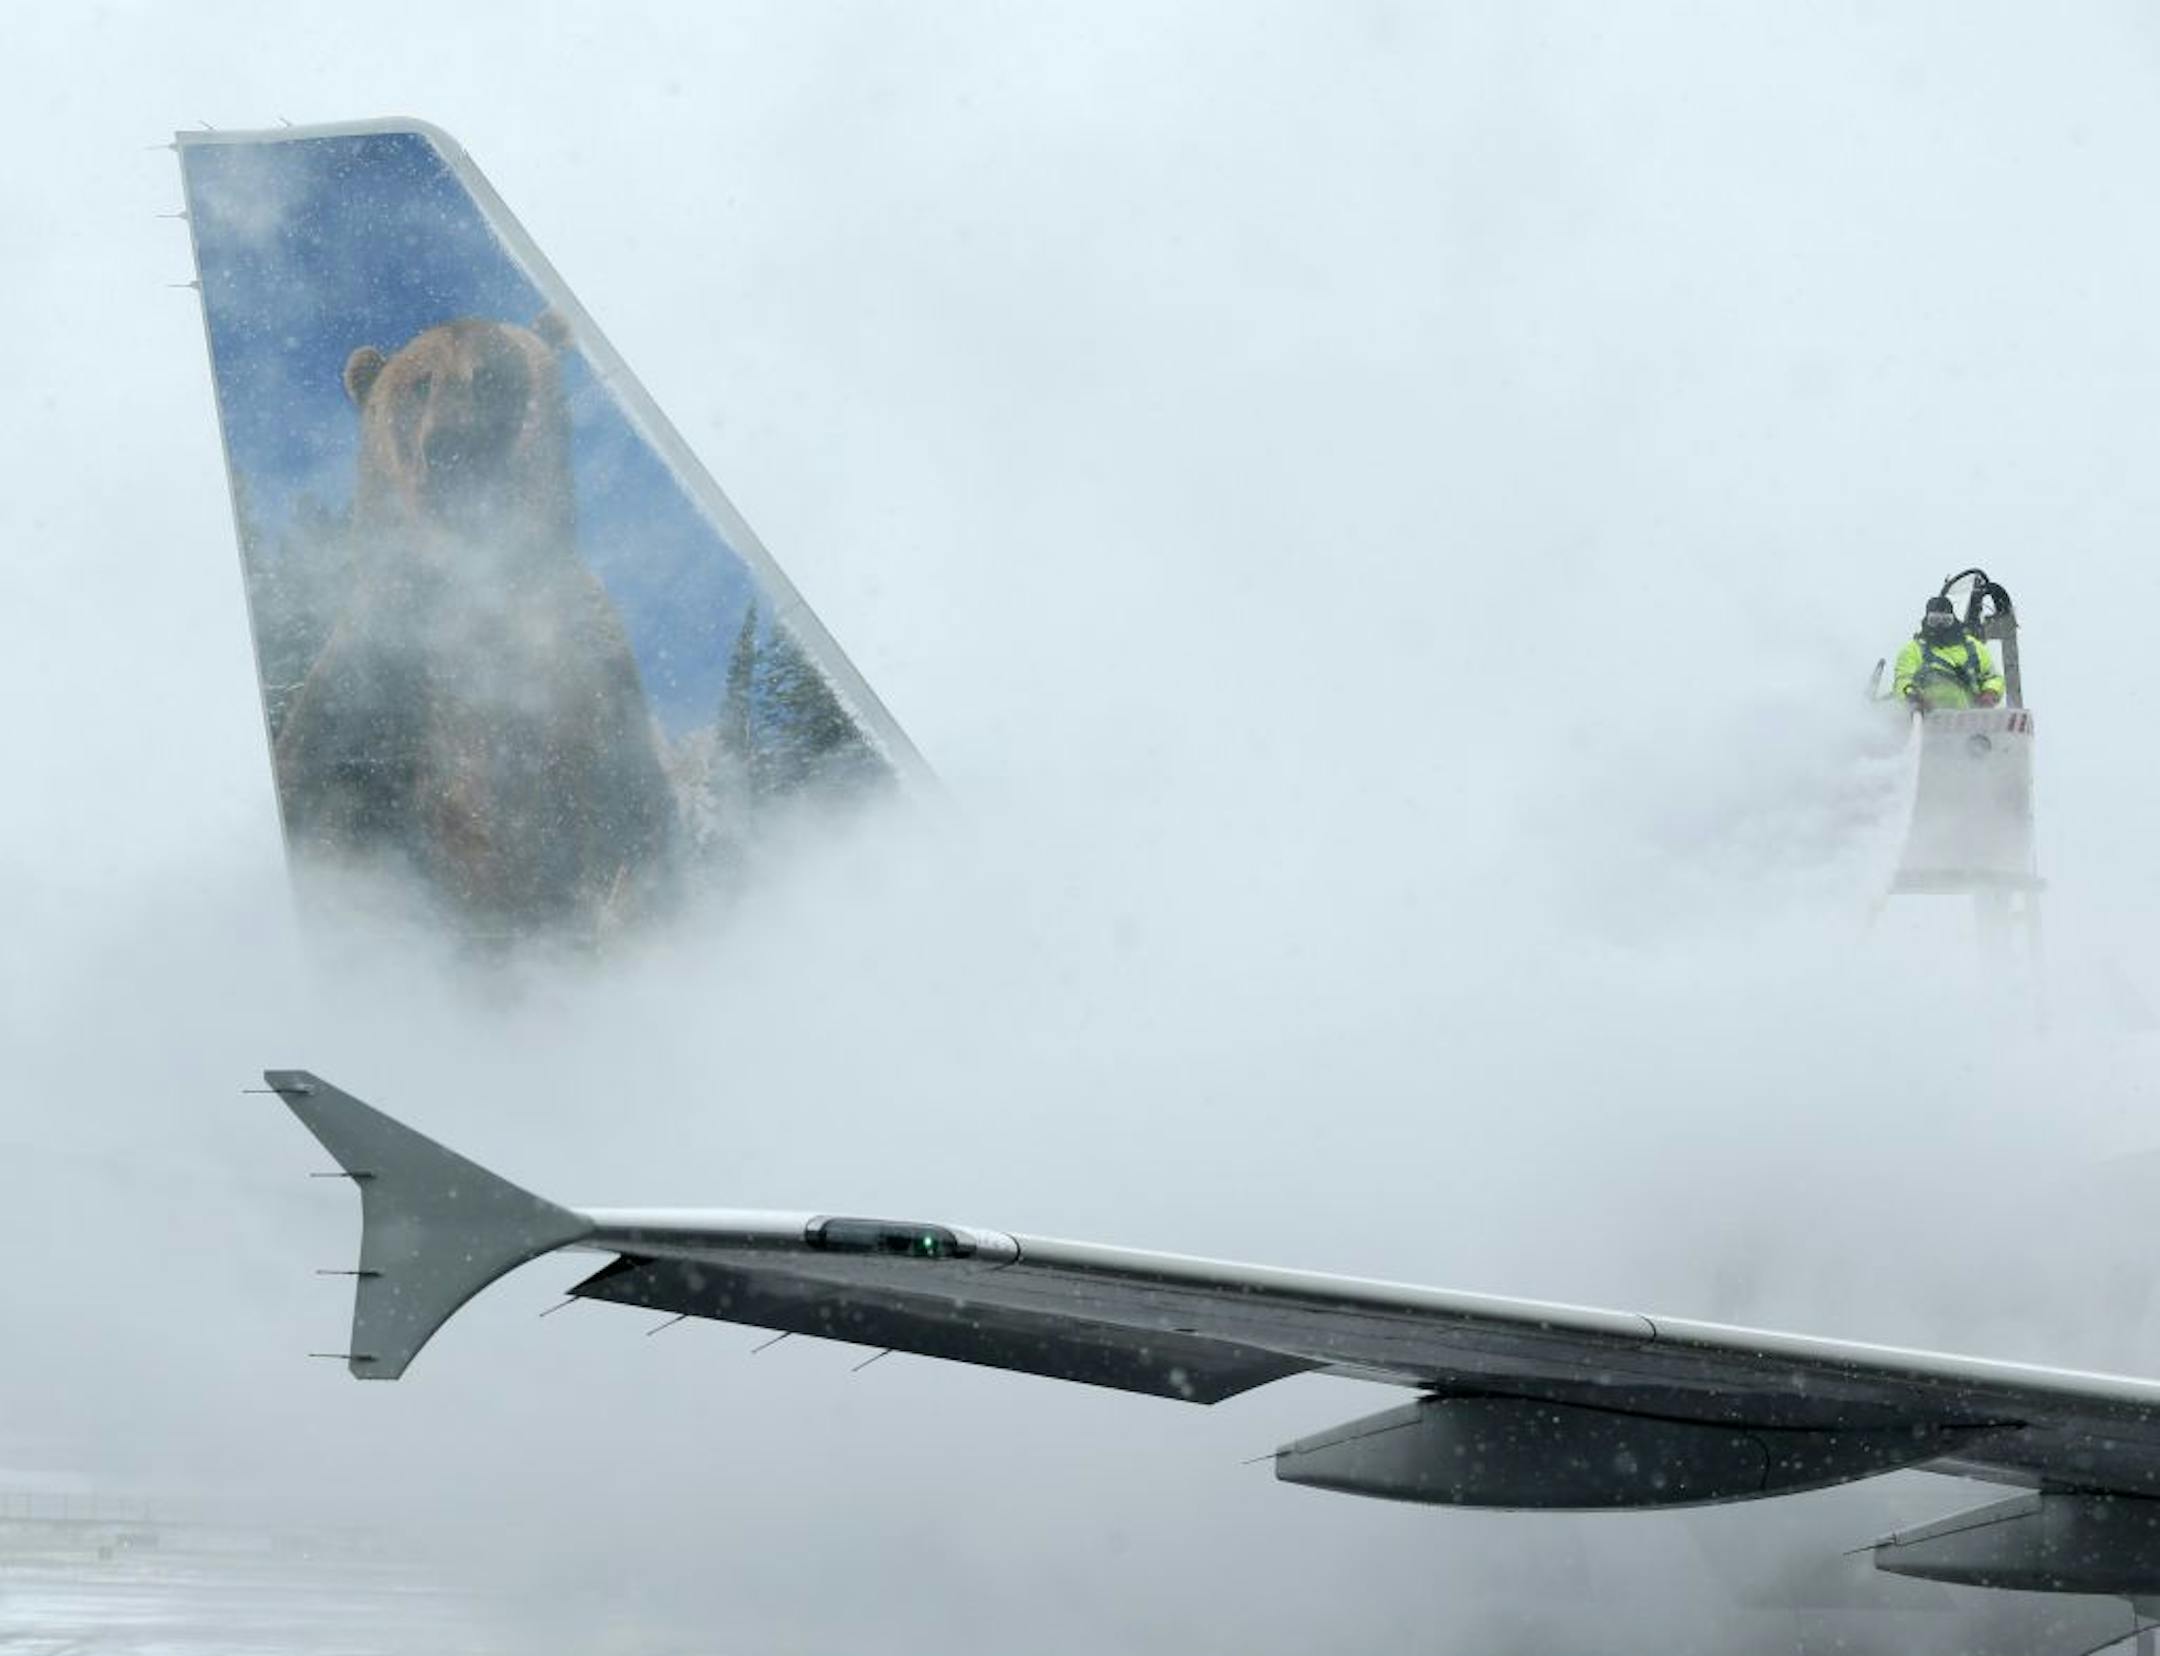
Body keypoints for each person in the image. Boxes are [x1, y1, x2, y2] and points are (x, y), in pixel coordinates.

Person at [1893, 594, 2005, 712]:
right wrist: (1913, 698)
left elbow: (1993, 677)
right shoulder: (1913, 650)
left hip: (1970, 717)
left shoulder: (1973, 647)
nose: (1940, 627)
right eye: (1934, 621)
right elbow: (1903, 680)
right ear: (1926, 621)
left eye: (1946, 621)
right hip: (1928, 717)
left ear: (1953, 620)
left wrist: (1990, 691)